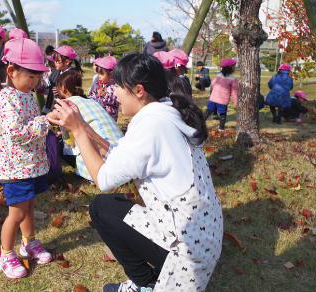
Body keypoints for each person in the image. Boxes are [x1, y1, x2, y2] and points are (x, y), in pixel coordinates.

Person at [48, 54, 222, 292]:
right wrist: (83, 124)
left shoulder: (150, 125)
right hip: (202, 244)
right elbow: (117, 156)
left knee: (102, 207)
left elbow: (103, 179)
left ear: (138, 90)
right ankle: (148, 279)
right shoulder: (165, 111)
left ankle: (145, 283)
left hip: (185, 257)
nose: (115, 92)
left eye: (118, 86)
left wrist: (77, 131)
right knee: (110, 205)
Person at [0, 38, 53, 279]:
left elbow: (30, 124)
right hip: (14, 166)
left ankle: (29, 242)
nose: (35, 83)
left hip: (29, 163)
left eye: (38, 78)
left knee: (29, 206)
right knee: (16, 213)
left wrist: (44, 120)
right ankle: (4, 254)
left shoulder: (23, 92)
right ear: (11, 71)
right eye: (31, 77)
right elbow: (17, 132)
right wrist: (45, 121)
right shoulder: (5, 98)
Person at [52, 70, 122, 181]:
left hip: (104, 160)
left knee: (62, 146)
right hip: (119, 152)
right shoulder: (92, 101)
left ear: (63, 88)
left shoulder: (67, 103)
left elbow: (50, 119)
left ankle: (86, 170)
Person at [40, 45, 83, 114]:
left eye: (57, 61)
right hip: (52, 106)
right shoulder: (56, 71)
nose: (55, 63)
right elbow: (50, 85)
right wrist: (44, 85)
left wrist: (62, 91)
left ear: (66, 62)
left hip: (65, 108)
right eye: (54, 60)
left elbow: (77, 92)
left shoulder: (72, 75)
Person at [203, 57, 238, 132]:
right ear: (231, 68)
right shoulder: (233, 78)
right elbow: (235, 92)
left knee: (208, 112)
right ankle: (221, 128)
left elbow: (212, 84)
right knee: (222, 114)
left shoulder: (218, 75)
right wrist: (236, 102)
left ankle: (199, 124)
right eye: (234, 66)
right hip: (223, 100)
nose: (235, 67)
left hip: (213, 98)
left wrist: (213, 92)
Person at [88, 56, 119, 121]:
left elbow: (116, 101)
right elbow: (93, 94)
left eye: (101, 74)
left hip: (109, 118)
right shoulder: (98, 83)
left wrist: (106, 95)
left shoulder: (115, 86)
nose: (99, 76)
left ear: (111, 74)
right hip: (98, 115)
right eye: (98, 73)